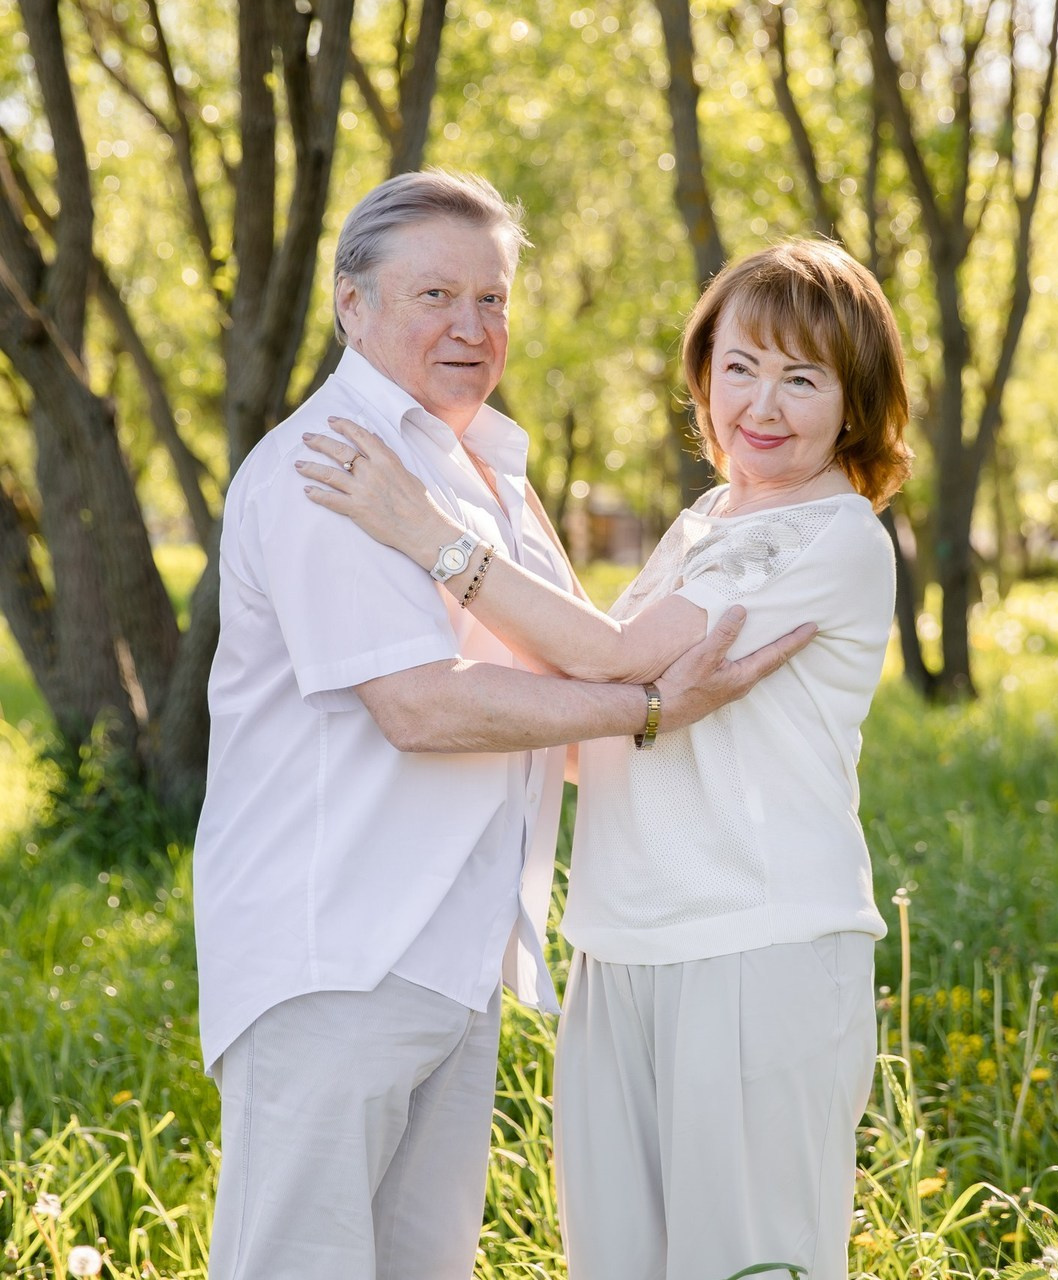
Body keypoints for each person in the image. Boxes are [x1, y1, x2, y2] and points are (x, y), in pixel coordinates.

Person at [192, 168, 813, 1280]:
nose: (471, 327)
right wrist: (649, 710)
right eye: (435, 295)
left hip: (453, 956)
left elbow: (580, 657)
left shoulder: (488, 473)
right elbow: (418, 704)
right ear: (351, 304)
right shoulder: (329, 463)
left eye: (492, 299)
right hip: (336, 952)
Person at [300, 236, 913, 1280]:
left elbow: (615, 658)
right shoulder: (711, 519)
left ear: (853, 401)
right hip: (619, 941)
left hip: (754, 945)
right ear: (703, 372)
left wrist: (430, 533)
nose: (761, 405)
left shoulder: (828, 533)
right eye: (738, 367)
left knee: (747, 1265)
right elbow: (609, 718)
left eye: (802, 378)